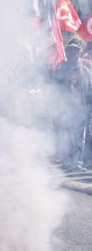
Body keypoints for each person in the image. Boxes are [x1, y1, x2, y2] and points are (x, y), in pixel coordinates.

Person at [53, 39, 92, 171]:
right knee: (65, 136)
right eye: (70, 53)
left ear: (79, 54)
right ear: (67, 54)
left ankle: (77, 163)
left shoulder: (86, 72)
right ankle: (66, 163)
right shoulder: (60, 70)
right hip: (65, 108)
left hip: (81, 109)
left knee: (79, 137)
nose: (72, 55)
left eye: (75, 53)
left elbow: (90, 91)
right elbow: (55, 90)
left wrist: (89, 109)